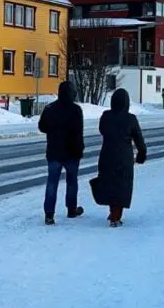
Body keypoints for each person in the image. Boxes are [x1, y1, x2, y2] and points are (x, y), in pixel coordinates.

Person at [95, 88, 147, 227]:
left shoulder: (105, 116)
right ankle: (116, 216)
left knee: (109, 182)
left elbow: (102, 129)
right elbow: (139, 139)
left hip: (107, 154)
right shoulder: (130, 119)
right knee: (122, 185)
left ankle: (113, 212)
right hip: (124, 156)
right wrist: (141, 155)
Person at [38, 80, 85, 225]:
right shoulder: (75, 110)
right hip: (72, 152)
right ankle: (71, 209)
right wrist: (80, 149)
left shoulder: (50, 108)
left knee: (52, 182)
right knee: (72, 182)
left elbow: (42, 127)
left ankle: (49, 214)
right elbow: (78, 132)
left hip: (54, 151)